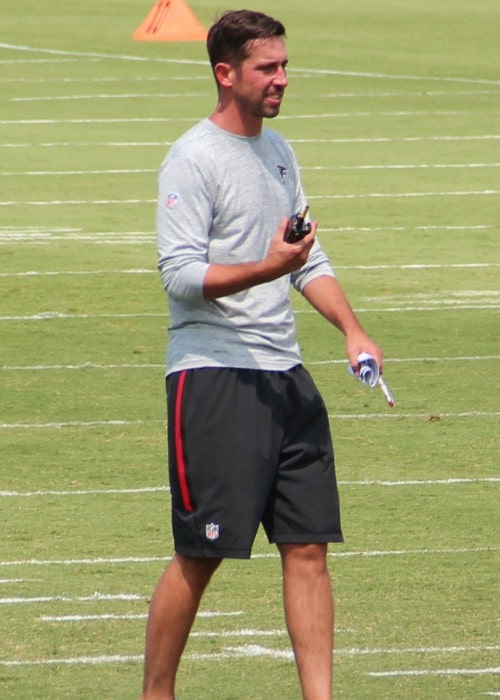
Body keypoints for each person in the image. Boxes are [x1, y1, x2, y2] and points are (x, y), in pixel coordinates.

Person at [142, 9, 383, 700]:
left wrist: (352, 330)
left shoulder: (278, 150)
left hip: (286, 377)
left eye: (284, 65)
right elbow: (182, 275)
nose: (282, 78)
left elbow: (306, 258)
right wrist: (268, 266)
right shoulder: (193, 158)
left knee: (309, 548)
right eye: (267, 67)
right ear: (226, 73)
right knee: (203, 552)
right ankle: (156, 693)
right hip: (215, 376)